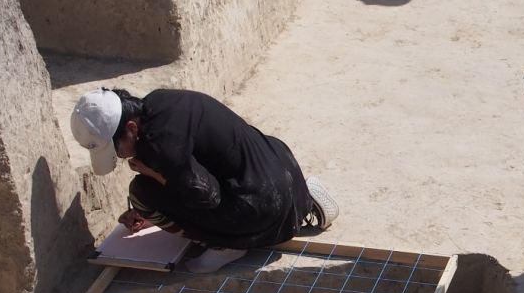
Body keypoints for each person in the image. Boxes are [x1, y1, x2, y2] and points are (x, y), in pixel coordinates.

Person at [69, 87, 338, 273]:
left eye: (117, 148)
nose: (121, 156)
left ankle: (225, 245)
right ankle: (301, 195)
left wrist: (152, 174)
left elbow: (207, 196)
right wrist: (151, 215)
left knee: (141, 191)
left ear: (130, 128)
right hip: (281, 168)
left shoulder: (158, 146)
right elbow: (199, 164)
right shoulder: (160, 102)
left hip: (261, 208)